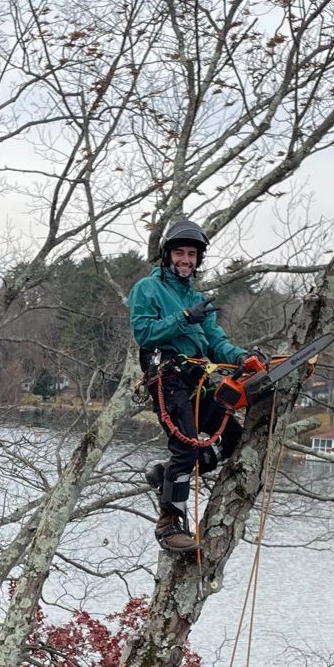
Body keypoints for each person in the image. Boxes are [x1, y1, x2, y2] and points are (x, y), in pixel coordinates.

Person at [128, 216, 264, 556]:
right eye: (180, 253)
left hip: (197, 382)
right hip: (168, 379)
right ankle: (169, 524)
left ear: (198, 259)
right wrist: (185, 318)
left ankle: (166, 475)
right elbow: (144, 333)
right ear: (168, 255)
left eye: (191, 254)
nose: (185, 260)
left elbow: (216, 341)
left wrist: (242, 357)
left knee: (232, 436)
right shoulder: (148, 288)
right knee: (186, 449)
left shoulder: (200, 299)